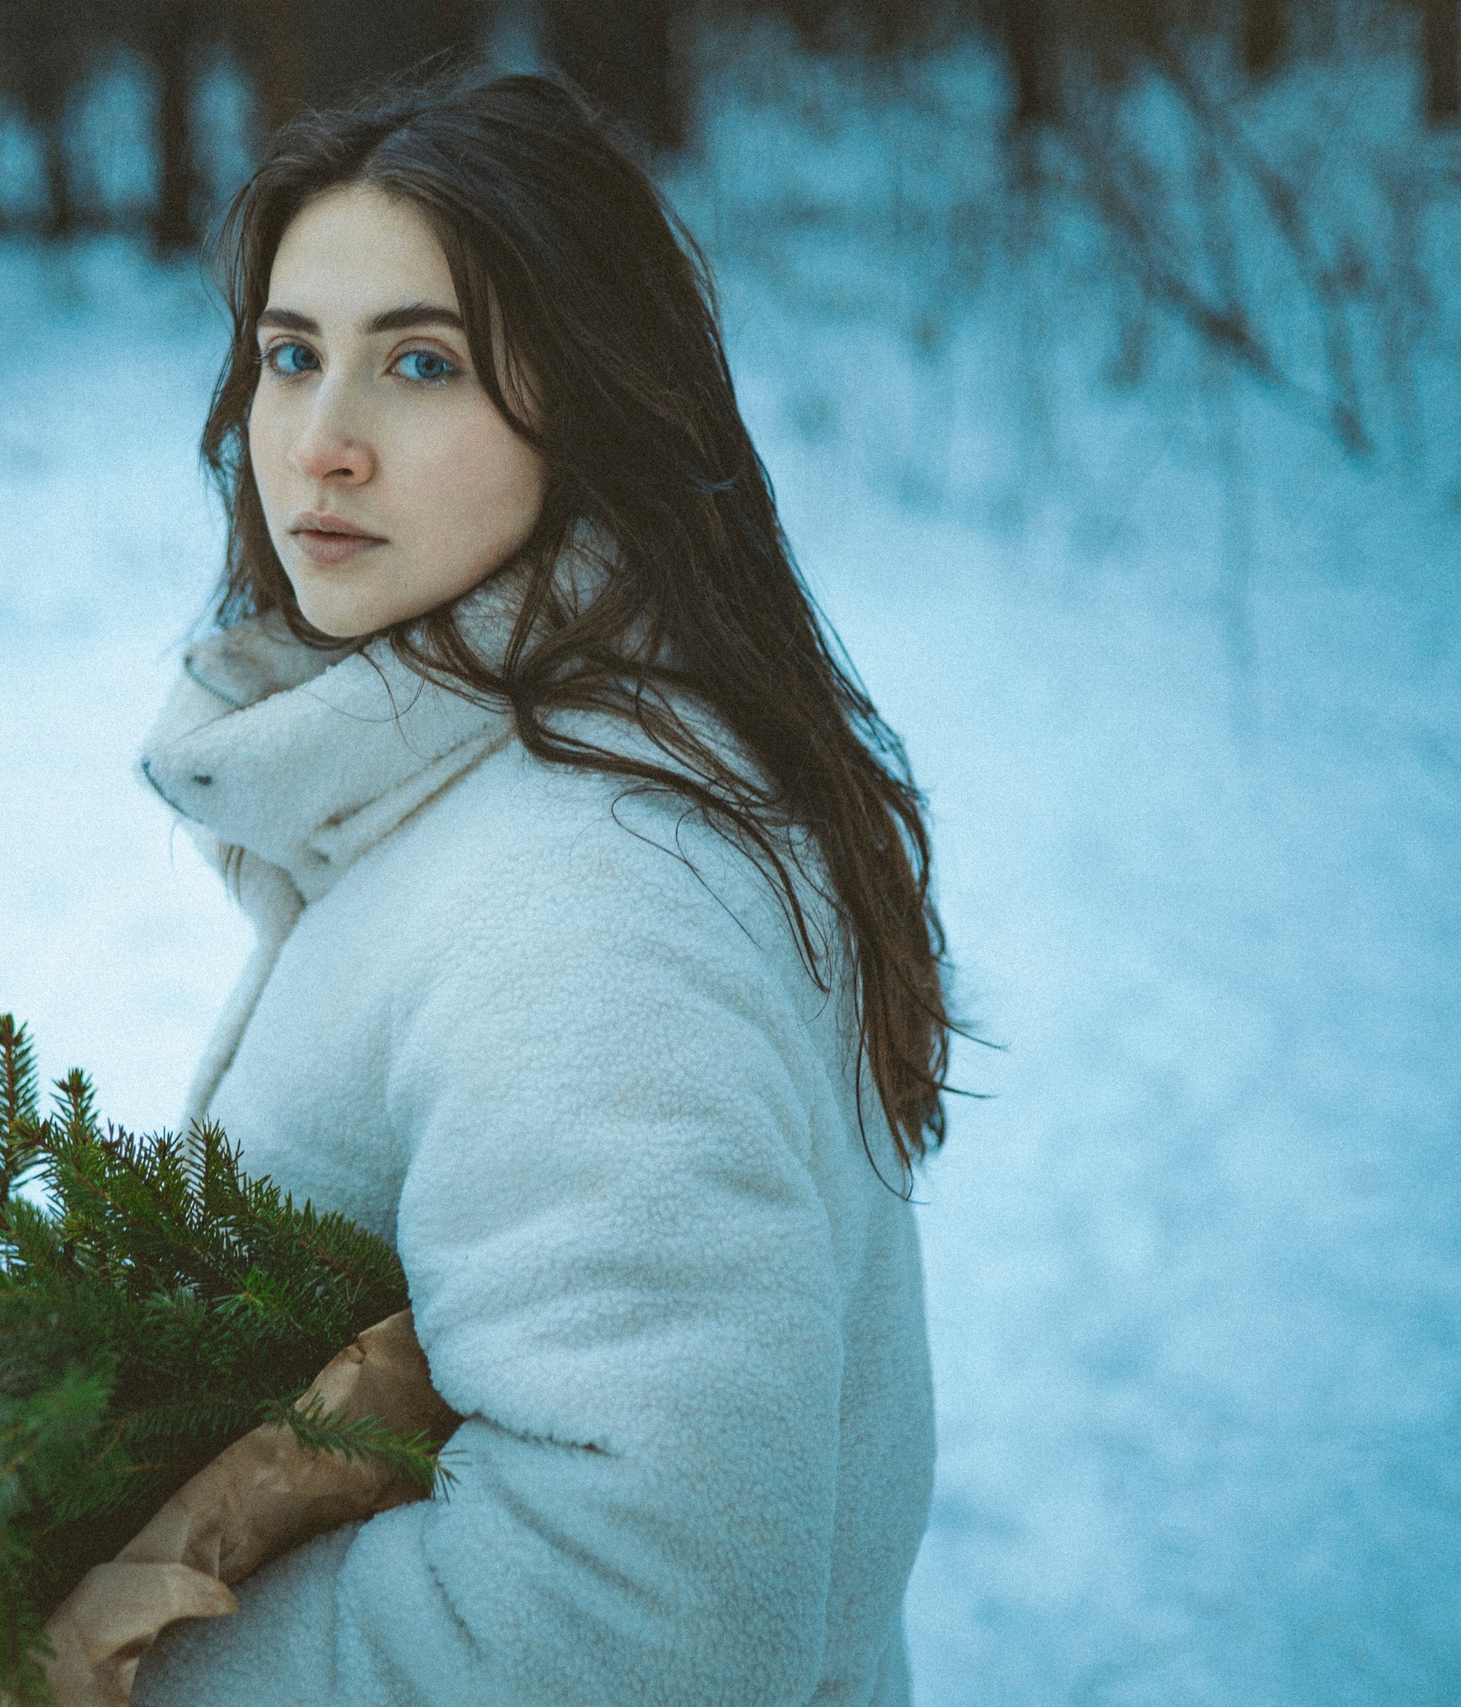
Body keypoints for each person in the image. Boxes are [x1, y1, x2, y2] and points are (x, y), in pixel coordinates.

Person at [119, 70, 951, 1707]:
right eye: (292, 355)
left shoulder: (594, 899)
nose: (323, 442)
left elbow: (641, 1621)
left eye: (418, 363)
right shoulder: (529, 770)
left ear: (590, 396)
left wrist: (145, 1668)